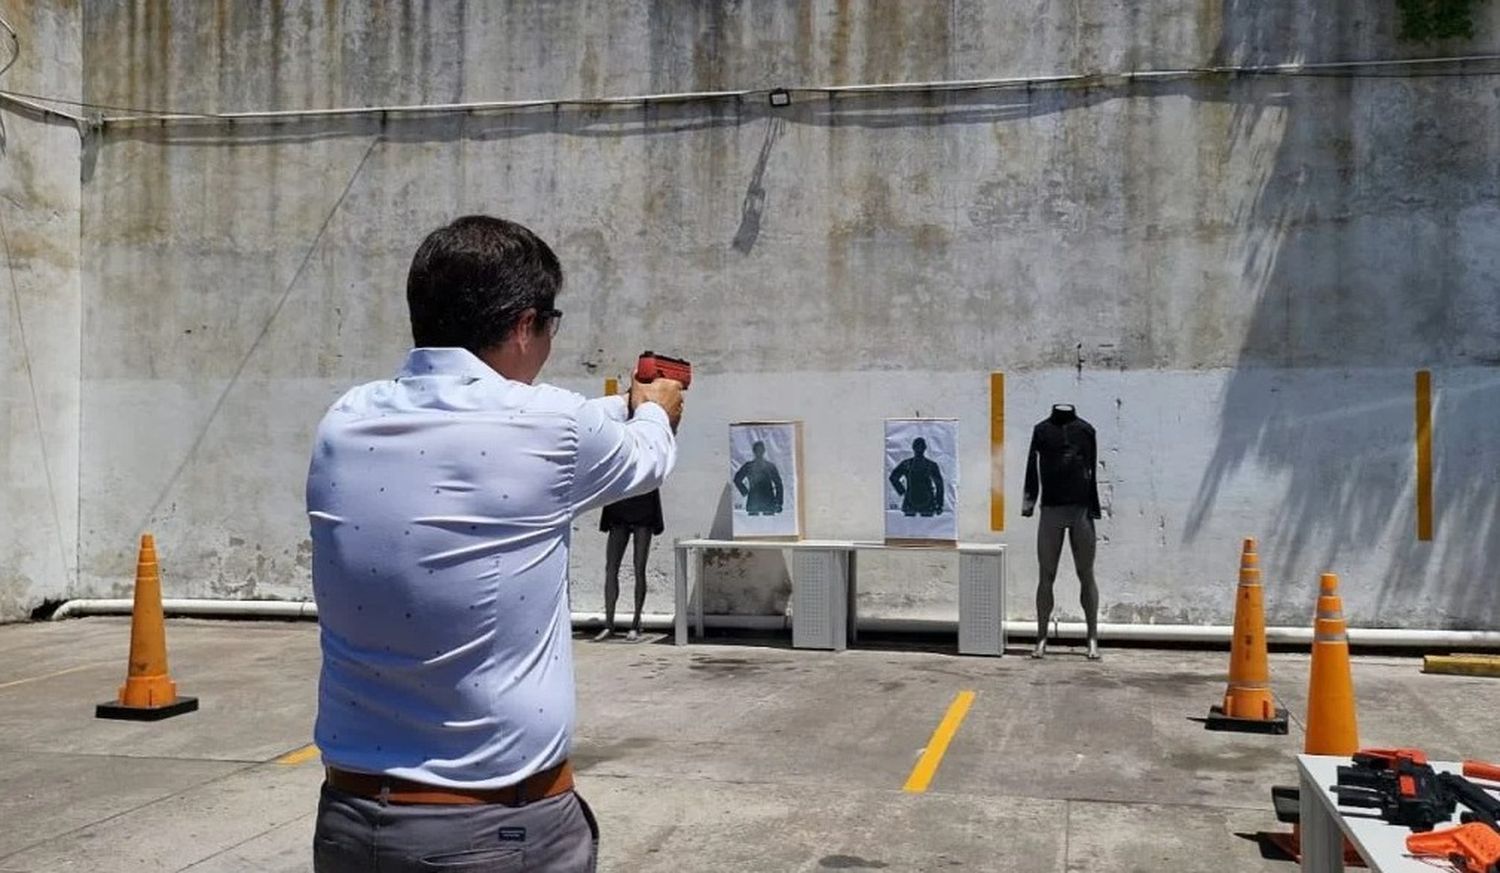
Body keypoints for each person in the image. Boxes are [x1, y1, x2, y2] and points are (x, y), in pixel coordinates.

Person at [306, 215, 684, 872]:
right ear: (523, 324)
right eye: (550, 325)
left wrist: (618, 405)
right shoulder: (549, 426)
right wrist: (656, 406)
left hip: (352, 822)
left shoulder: (346, 419)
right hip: (493, 828)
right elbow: (645, 458)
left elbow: (511, 427)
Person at [1021, 403, 1102, 661]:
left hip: (1080, 510)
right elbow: (1031, 468)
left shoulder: (1086, 431)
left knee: (1086, 573)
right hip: (1051, 510)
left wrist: (1094, 507)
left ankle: (1092, 637)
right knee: (1046, 575)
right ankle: (1041, 637)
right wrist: (1029, 503)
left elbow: (1092, 472)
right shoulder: (1042, 430)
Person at [593, 488, 663, 642]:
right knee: (611, 568)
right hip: (619, 505)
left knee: (639, 568)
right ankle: (608, 624)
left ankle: (635, 624)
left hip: (644, 505)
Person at [889, 437, 945, 517]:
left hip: (923, 502)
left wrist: (902, 491)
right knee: (909, 526)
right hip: (917, 502)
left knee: (925, 526)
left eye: (920, 447)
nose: (919, 449)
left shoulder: (929, 465)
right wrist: (902, 491)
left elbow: (939, 485)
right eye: (917, 447)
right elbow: (893, 477)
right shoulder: (908, 464)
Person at [732, 440, 783, 515]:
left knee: (768, 524)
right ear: (754, 451)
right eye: (757, 450)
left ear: (763, 451)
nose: (759, 452)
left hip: (765, 503)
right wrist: (744, 491)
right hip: (756, 503)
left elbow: (779, 484)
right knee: (752, 524)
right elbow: (737, 479)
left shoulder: (770, 466)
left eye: (760, 450)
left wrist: (778, 502)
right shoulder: (749, 466)